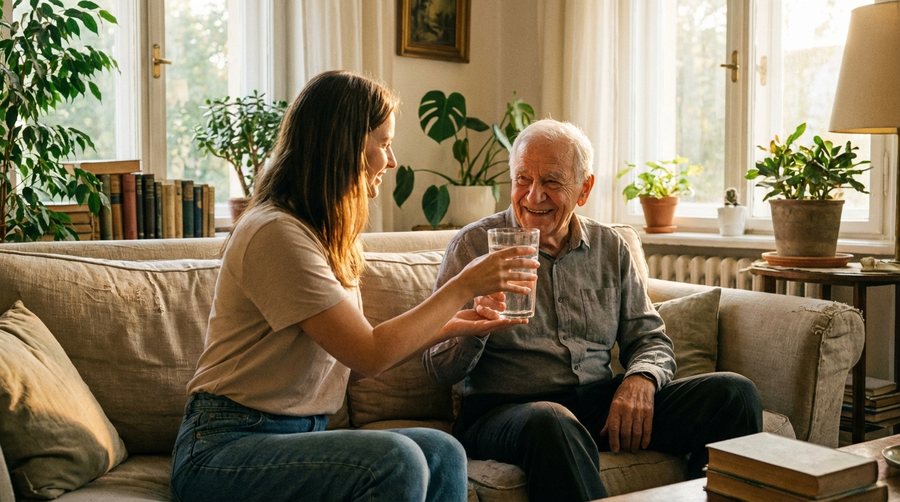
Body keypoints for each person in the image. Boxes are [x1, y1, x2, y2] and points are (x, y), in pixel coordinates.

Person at [169, 70, 539, 502]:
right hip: (225, 446)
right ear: (344, 144)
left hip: (298, 436)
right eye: (384, 142)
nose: (392, 160)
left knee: (442, 451)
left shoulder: (325, 235)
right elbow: (370, 353)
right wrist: (462, 285)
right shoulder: (276, 233)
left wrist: (456, 324)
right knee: (397, 458)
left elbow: (353, 361)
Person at [424, 118, 763, 501]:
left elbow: (650, 339)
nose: (534, 195)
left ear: (584, 188)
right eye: (523, 179)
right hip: (506, 411)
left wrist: (641, 380)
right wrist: (477, 328)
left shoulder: (610, 247)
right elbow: (438, 369)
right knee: (551, 419)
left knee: (733, 394)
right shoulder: (474, 246)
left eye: (551, 181)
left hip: (596, 403)